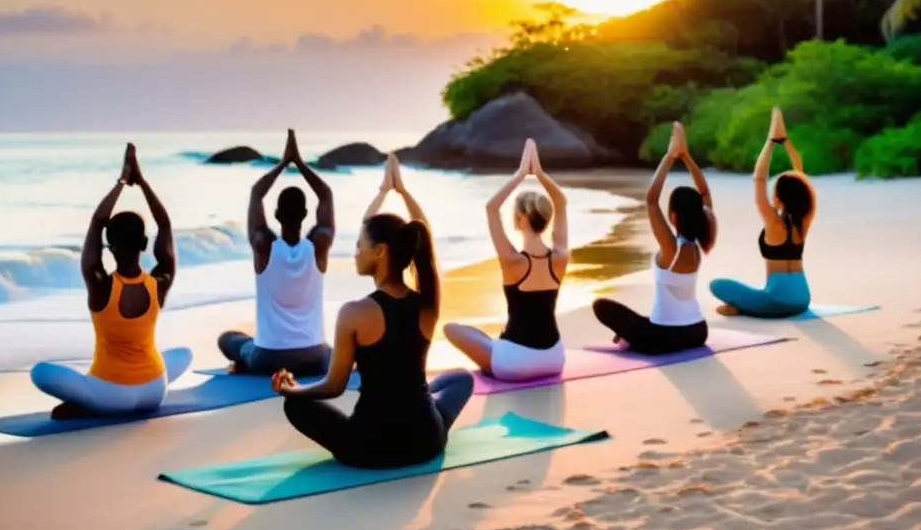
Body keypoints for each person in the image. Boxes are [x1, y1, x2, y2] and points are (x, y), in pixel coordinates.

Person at [273, 153, 474, 470]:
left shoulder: (353, 313)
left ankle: (421, 400)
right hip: (426, 439)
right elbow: (426, 244)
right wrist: (397, 192)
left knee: (294, 406)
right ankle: (425, 400)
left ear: (380, 251)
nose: (354, 253)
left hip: (370, 447)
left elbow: (334, 386)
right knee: (462, 379)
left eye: (358, 246)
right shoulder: (428, 304)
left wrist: (292, 388)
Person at [30, 144, 192, 419]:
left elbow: (96, 222)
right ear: (143, 244)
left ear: (109, 247)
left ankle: (88, 402)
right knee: (184, 353)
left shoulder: (101, 286)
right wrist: (141, 182)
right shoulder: (159, 282)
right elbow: (164, 225)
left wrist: (121, 182)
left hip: (111, 395)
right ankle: (103, 396)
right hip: (155, 391)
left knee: (40, 372)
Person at [442, 138, 569, 381]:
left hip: (515, 364)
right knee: (486, 339)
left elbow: (491, 208)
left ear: (520, 218)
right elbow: (561, 202)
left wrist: (521, 173)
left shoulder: (512, 261)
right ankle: (496, 347)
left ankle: (496, 352)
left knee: (452, 329)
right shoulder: (560, 258)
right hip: (554, 358)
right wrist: (540, 173)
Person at [592, 122, 716, 354]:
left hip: (664, 338)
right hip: (698, 332)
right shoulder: (698, 245)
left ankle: (632, 338)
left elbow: (651, 199)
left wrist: (671, 156)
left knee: (601, 306)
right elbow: (705, 194)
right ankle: (631, 335)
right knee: (641, 319)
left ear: (673, 216)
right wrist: (686, 156)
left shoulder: (671, 248)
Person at [218, 129, 334, 377]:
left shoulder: (263, 246)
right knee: (339, 349)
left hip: (268, 360)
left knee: (228, 339)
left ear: (276, 215)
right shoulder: (320, 244)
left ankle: (244, 365)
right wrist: (300, 163)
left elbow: (256, 194)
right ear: (305, 215)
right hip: (315, 357)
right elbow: (326, 195)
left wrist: (283, 163)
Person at [709, 107, 816, 318]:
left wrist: (770, 142)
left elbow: (759, 180)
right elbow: (799, 174)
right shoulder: (803, 220)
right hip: (803, 298)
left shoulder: (773, 222)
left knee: (716, 285)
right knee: (756, 294)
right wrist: (785, 142)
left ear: (778, 198)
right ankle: (747, 306)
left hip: (779, 301)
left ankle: (743, 308)